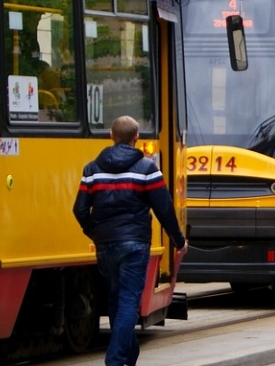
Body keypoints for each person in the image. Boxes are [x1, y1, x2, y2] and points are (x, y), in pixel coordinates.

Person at [72, 116, 186, 366]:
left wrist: (95, 232)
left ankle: (129, 356)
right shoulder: (147, 169)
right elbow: (164, 208)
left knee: (115, 300)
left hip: (106, 245)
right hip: (134, 245)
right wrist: (179, 240)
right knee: (128, 303)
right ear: (136, 138)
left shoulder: (92, 170)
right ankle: (114, 360)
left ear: (110, 136)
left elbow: (79, 210)